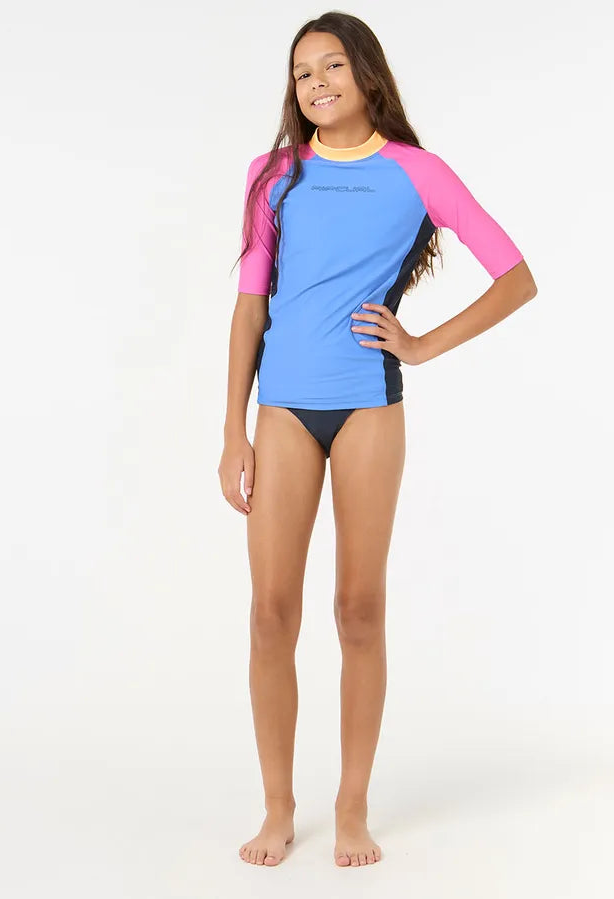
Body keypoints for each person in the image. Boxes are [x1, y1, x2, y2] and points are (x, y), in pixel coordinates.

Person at [219, 11, 537, 869]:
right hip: (282, 409)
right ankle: (277, 807)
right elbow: (249, 308)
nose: (315, 84)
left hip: (367, 405)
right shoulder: (272, 176)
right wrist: (231, 430)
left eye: (331, 66)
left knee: (358, 609)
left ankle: (351, 807)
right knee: (269, 613)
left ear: (365, 74)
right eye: (301, 73)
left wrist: (421, 344)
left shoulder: (415, 171)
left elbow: (515, 276)